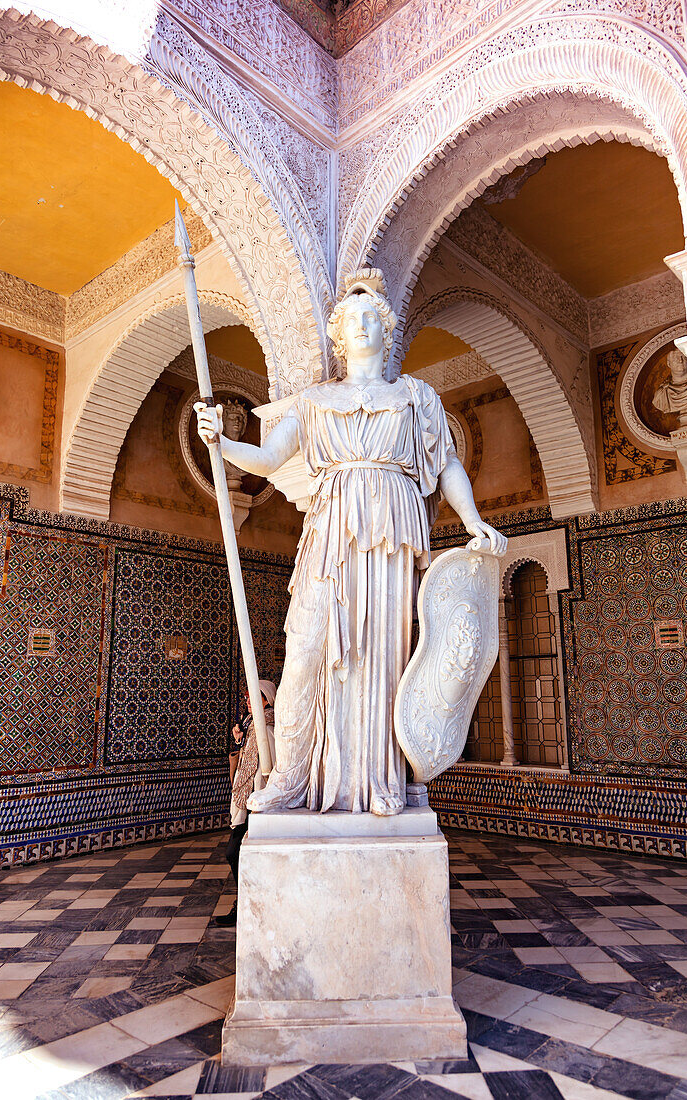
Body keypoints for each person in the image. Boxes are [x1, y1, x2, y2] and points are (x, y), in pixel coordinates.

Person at [197, 268, 506, 818]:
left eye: (371, 320)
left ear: (387, 336)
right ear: (338, 338)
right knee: (305, 656)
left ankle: (381, 782)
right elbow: (268, 461)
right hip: (331, 533)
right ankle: (291, 779)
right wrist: (222, 443)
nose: (362, 327)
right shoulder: (315, 401)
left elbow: (447, 462)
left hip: (389, 540)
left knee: (383, 662)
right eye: (352, 321)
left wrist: (474, 519)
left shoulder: (415, 397)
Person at [216, 679, 276, 927]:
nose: (248, 701)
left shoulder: (268, 728)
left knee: (236, 852)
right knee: (237, 853)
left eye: (254, 696)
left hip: (256, 803)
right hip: (247, 800)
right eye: (247, 697)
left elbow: (269, 767)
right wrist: (241, 740)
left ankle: (247, 903)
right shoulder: (252, 726)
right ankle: (245, 903)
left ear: (267, 701)